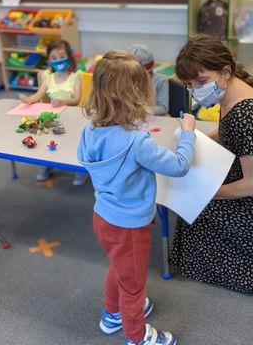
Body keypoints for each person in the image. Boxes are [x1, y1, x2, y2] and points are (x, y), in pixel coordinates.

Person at [77, 50, 196, 345]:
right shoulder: (137, 141)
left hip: (103, 216)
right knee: (133, 285)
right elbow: (179, 166)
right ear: (136, 93)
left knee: (118, 268)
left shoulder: (90, 128)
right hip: (129, 225)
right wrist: (188, 135)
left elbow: (86, 158)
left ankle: (111, 314)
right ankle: (138, 336)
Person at [170, 35, 253, 299]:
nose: (195, 90)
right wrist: (196, 138)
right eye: (189, 85)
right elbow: (227, 130)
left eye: (200, 82)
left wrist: (207, 193)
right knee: (191, 194)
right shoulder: (233, 90)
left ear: (225, 72)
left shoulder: (245, 113)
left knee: (193, 208)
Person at [21, 39, 86, 186]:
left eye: (62, 56)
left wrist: (63, 102)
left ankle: (80, 170)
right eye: (54, 58)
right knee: (50, 141)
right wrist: (29, 99)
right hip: (54, 119)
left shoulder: (76, 76)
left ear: (69, 57)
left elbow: (76, 99)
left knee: (76, 144)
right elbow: (39, 94)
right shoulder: (48, 78)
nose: (58, 60)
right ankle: (47, 165)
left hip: (73, 119)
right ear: (49, 60)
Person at [128, 44, 169, 116]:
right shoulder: (126, 80)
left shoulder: (161, 81)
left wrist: (141, 111)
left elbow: (163, 108)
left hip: (152, 119)